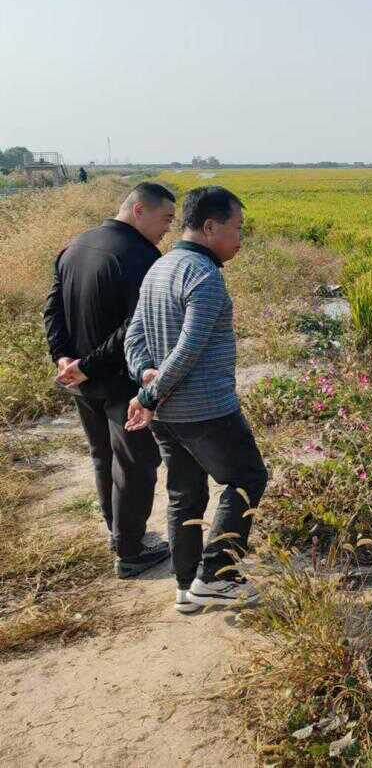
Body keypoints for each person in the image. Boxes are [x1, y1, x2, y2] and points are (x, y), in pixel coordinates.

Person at [123, 185, 267, 613]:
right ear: (209, 227)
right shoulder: (204, 276)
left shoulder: (160, 267)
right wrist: (148, 392)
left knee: (185, 493)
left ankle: (187, 587)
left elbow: (133, 335)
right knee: (248, 479)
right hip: (204, 410)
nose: (240, 238)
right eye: (237, 228)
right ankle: (218, 577)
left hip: (167, 415)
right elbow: (190, 348)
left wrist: (143, 373)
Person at [43, 182, 177, 577]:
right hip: (120, 381)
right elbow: (134, 328)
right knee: (136, 462)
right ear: (139, 210)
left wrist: (65, 358)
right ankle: (131, 551)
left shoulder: (77, 245)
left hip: (83, 383)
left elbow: (52, 310)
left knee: (103, 455)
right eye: (165, 218)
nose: (168, 228)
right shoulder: (139, 256)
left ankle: (118, 533)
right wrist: (86, 364)